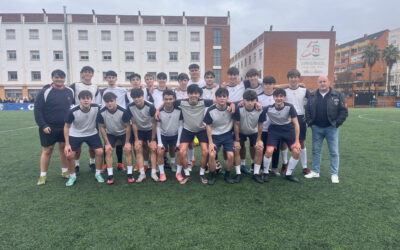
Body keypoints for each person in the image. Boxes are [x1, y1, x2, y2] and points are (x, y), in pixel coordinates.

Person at [157, 84, 214, 184]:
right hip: (187, 130)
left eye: (196, 93)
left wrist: (231, 103)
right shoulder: (181, 102)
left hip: (201, 130)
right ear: (188, 94)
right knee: (181, 151)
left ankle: (202, 173)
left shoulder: (204, 102)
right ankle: (187, 173)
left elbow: (218, 101)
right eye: (191, 93)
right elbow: (168, 102)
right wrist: (158, 109)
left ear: (199, 95)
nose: (193, 95)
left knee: (206, 152)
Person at [305, 75, 348, 183]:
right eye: (320, 82)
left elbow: (344, 111)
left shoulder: (337, 94)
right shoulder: (312, 95)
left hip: (331, 128)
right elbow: (307, 110)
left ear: (329, 82)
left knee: (333, 152)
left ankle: (334, 174)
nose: (322, 83)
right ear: (317, 83)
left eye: (324, 81)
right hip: (316, 128)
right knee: (316, 151)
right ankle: (315, 171)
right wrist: (311, 123)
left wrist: (336, 124)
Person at [34, 69, 74, 185]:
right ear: (52, 78)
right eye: (57, 77)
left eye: (61, 77)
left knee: (63, 148)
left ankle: (65, 172)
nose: (59, 79)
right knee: (47, 150)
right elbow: (37, 110)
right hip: (48, 126)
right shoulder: (45, 92)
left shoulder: (70, 91)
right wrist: (43, 125)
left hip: (65, 126)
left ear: (64, 78)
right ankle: (43, 176)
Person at [64, 90, 104, 186]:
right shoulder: (72, 111)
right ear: (79, 100)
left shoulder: (97, 108)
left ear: (91, 99)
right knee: (70, 155)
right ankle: (72, 176)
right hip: (76, 134)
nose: (86, 101)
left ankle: (98, 173)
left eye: (88, 98)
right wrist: (67, 144)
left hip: (91, 133)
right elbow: (66, 127)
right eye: (83, 99)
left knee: (100, 152)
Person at [261, 88, 301, 183]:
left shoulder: (290, 107)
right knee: (269, 151)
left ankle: (288, 174)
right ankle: (266, 173)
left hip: (288, 130)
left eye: (281, 96)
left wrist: (297, 141)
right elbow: (257, 112)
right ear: (273, 97)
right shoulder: (268, 108)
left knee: (296, 151)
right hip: (274, 130)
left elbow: (296, 123)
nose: (279, 98)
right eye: (277, 96)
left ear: (284, 98)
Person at [70, 66, 100, 174]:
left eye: (90, 72)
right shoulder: (75, 85)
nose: (87, 74)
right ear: (82, 73)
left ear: (92, 74)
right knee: (77, 146)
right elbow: (68, 98)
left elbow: (97, 101)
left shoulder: (95, 87)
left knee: (93, 145)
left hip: (92, 118)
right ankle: (76, 165)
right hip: (78, 118)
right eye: (85, 72)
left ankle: (92, 162)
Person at [97, 92, 133, 184]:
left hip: (123, 133)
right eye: (107, 101)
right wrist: (107, 143)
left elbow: (128, 126)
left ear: (115, 100)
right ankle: (110, 175)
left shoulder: (123, 111)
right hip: (111, 133)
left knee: (128, 149)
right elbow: (101, 127)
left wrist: (127, 142)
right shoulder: (101, 112)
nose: (109, 103)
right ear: (104, 102)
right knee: (108, 150)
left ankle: (130, 174)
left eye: (111, 101)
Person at [281, 69, 311, 175]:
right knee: (284, 142)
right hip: (287, 118)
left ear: (299, 78)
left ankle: (305, 167)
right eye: (291, 77)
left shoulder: (304, 90)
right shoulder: (284, 91)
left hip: (300, 117)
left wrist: (307, 115)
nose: (293, 79)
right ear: (288, 79)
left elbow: (311, 103)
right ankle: (284, 163)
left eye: (295, 77)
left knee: (302, 142)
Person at [99, 71, 130, 172]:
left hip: (120, 119)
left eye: (113, 77)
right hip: (108, 118)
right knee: (107, 143)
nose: (111, 79)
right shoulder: (102, 91)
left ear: (116, 78)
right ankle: (105, 164)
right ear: (106, 79)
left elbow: (132, 95)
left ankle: (120, 163)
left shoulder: (122, 90)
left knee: (120, 143)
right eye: (109, 77)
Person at [204, 88, 236, 184]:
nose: (222, 99)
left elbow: (244, 102)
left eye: (224, 96)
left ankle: (227, 175)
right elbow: (208, 126)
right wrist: (210, 142)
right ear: (216, 98)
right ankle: (213, 175)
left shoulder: (231, 108)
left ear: (227, 98)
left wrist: (233, 104)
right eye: (219, 96)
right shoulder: (210, 110)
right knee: (212, 154)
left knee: (230, 155)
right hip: (215, 136)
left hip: (227, 135)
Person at [126, 88, 158, 183]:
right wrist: (136, 139)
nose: (137, 99)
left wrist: (152, 140)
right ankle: (142, 173)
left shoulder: (150, 106)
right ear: (132, 98)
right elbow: (134, 123)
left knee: (152, 148)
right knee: (137, 148)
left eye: (139, 97)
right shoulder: (130, 107)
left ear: (143, 96)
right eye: (134, 97)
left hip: (150, 129)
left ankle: (153, 173)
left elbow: (154, 123)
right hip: (139, 130)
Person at [233, 90, 265, 183]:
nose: (250, 103)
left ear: (256, 100)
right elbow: (236, 124)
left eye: (252, 100)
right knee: (236, 148)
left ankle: (255, 173)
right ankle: (238, 173)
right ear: (243, 100)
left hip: (253, 132)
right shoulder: (239, 108)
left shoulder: (260, 109)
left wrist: (259, 140)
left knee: (259, 148)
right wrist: (237, 140)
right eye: (247, 100)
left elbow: (260, 125)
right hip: (241, 131)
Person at [156, 90, 183, 181]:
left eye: (170, 99)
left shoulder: (179, 110)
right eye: (166, 99)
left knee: (179, 151)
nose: (168, 101)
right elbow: (158, 127)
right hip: (163, 135)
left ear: (174, 99)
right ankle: (162, 173)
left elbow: (180, 126)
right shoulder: (159, 112)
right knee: (160, 152)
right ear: (163, 100)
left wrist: (179, 142)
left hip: (175, 135)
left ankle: (174, 166)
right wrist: (159, 143)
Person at [258, 76, 281, 176]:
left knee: (275, 149)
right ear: (263, 85)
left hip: (276, 127)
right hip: (263, 127)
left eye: (270, 84)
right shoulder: (258, 97)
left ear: (273, 85)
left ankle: (275, 168)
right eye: (266, 84)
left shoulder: (277, 97)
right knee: (263, 149)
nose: (268, 86)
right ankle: (262, 168)